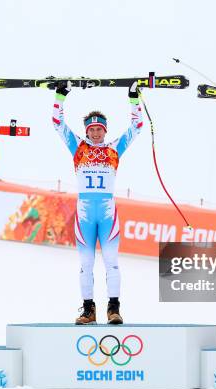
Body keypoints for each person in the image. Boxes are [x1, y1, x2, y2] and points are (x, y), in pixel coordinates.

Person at [52, 81, 143, 325]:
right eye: (91, 129)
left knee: (112, 262)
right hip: (84, 213)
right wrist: (61, 96)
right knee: (85, 264)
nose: (95, 133)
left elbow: (137, 126)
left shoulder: (114, 149)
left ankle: (114, 308)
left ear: (105, 130)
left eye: (99, 129)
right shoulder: (78, 147)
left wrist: (134, 99)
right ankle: (88, 310)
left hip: (106, 212)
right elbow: (57, 123)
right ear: (86, 131)